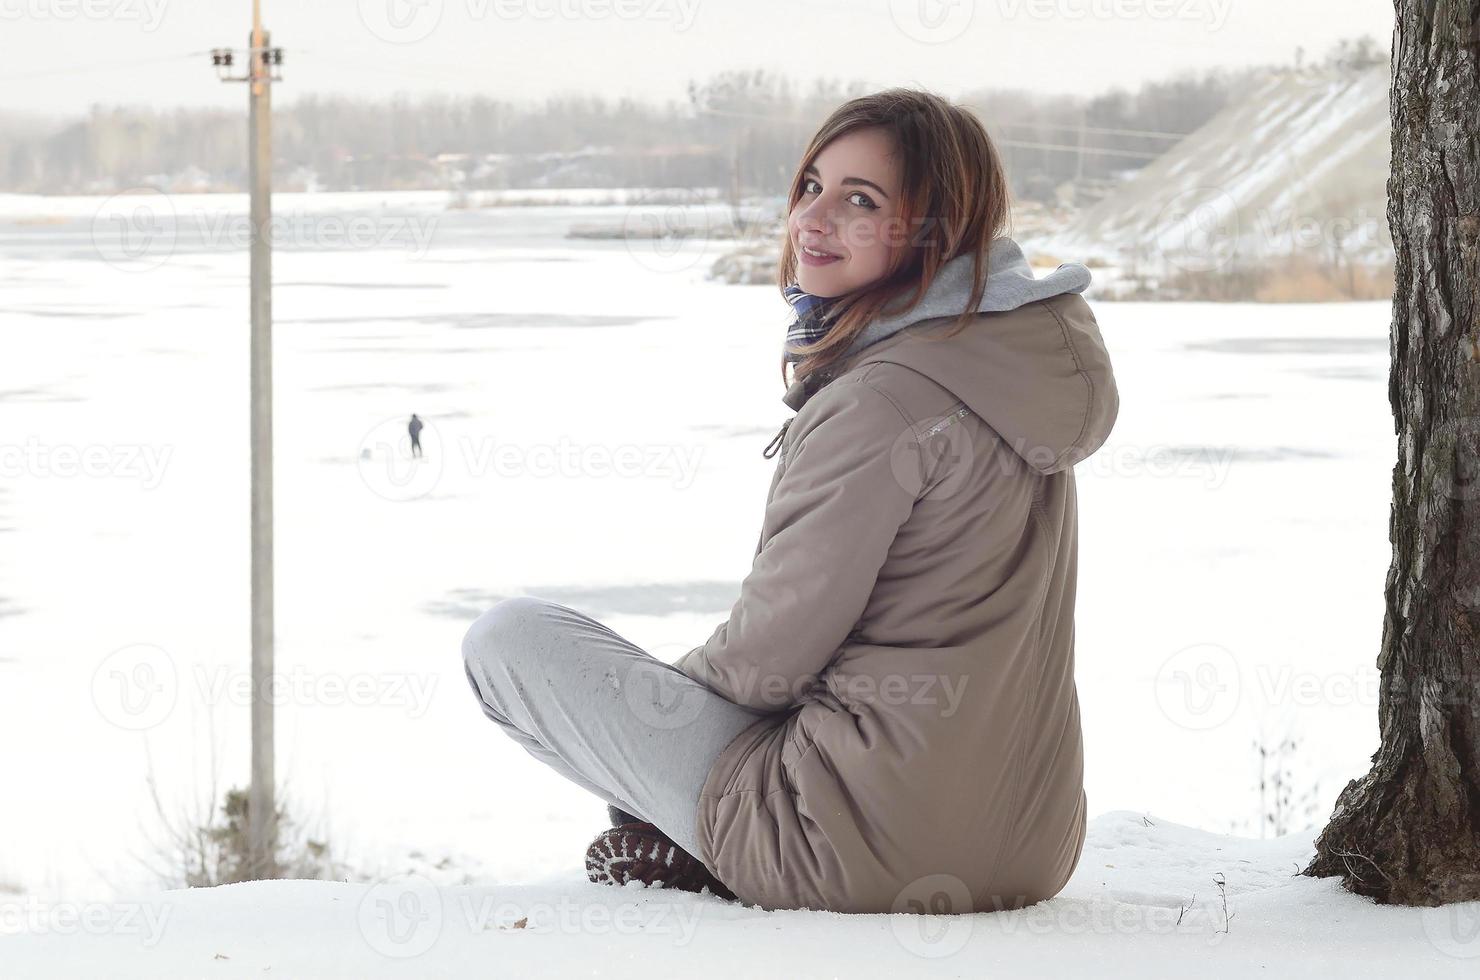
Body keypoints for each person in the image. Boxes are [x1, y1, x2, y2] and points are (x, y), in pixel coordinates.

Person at [461, 87, 1119, 914]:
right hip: (1033, 844)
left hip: (851, 846)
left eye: (861, 200)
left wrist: (649, 737)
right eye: (810, 186)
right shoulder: (1006, 371)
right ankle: (692, 831)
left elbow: (768, 659)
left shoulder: (882, 401)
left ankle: (701, 840)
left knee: (509, 641)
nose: (813, 218)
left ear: (937, 228)